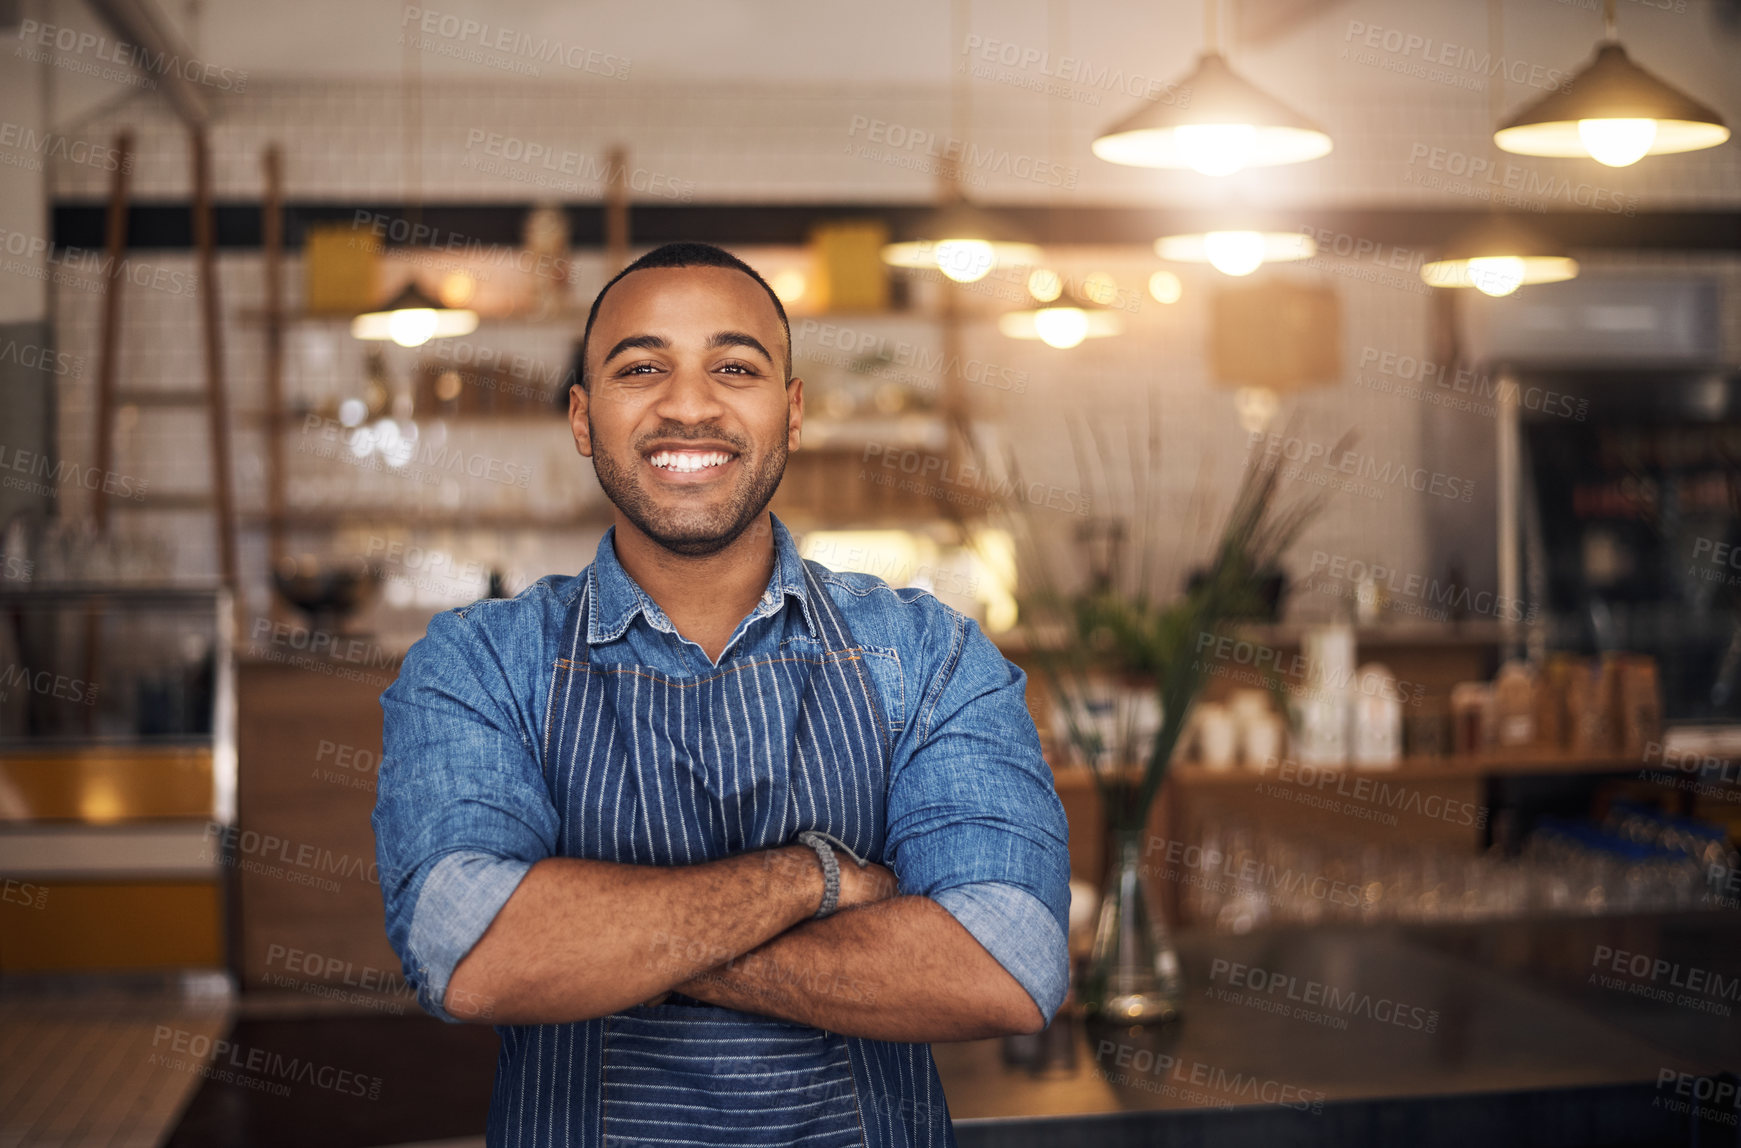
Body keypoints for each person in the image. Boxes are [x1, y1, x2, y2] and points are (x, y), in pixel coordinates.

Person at [372, 241, 1072, 1147]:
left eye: (733, 367)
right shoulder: (476, 665)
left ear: (792, 413)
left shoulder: (927, 654)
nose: (690, 404)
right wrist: (812, 877)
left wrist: (607, 942)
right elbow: (470, 953)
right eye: (642, 368)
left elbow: (1004, 965)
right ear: (582, 418)